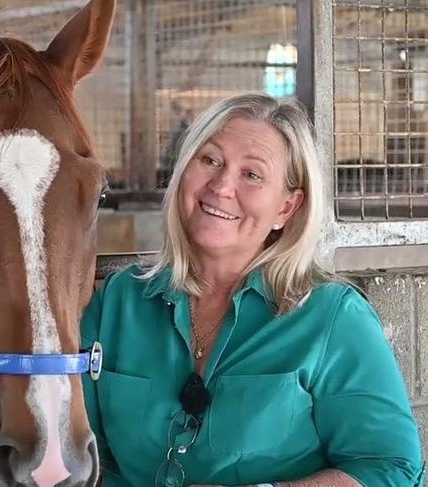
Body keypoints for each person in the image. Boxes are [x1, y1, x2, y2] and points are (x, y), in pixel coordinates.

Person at [81, 93, 424, 487]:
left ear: (286, 208)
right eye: (209, 160)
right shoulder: (118, 301)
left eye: (252, 174)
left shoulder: (332, 316)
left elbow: (392, 469)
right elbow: (87, 458)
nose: (222, 186)